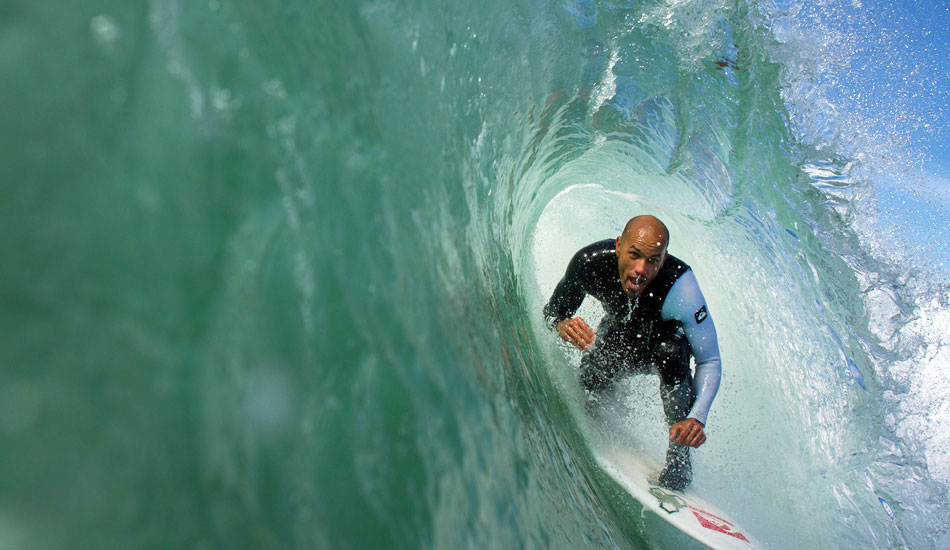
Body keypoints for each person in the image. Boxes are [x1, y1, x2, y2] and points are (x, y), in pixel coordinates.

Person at [543, 215, 722, 490]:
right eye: (634, 255)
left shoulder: (682, 287)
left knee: (671, 350)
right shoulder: (590, 263)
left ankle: (679, 459)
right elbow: (553, 311)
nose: (641, 269)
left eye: (652, 260)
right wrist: (561, 324)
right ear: (618, 246)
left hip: (663, 350)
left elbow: (709, 360)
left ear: (662, 261)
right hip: (620, 341)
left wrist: (696, 417)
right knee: (592, 380)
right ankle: (596, 412)